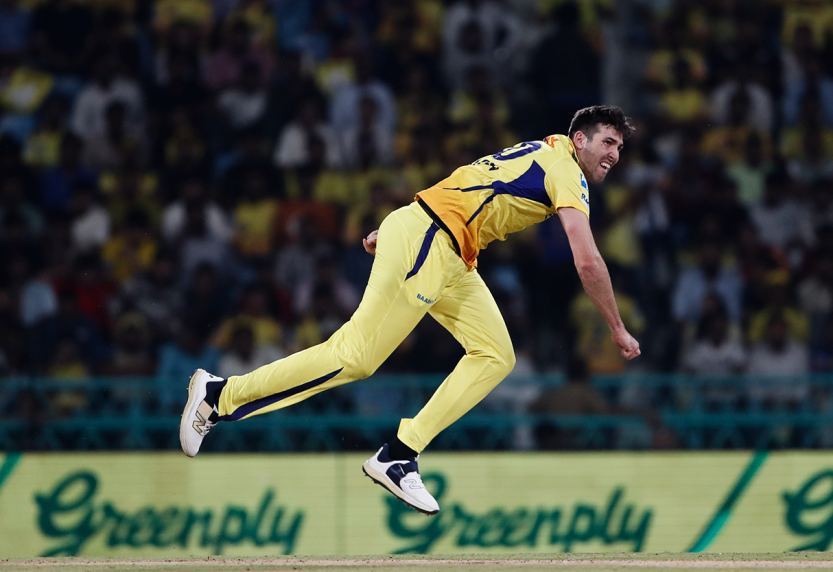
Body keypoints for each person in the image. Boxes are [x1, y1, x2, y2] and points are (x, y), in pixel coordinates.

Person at [179, 105, 641, 514]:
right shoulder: (566, 169)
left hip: (445, 249)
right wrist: (617, 328)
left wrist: (404, 227)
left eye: (619, 147)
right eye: (607, 142)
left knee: (495, 355)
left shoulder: (546, 149)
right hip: (431, 240)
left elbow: (473, 180)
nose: (614, 154)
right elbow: (586, 260)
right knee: (355, 357)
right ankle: (220, 396)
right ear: (580, 138)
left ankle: (400, 454)